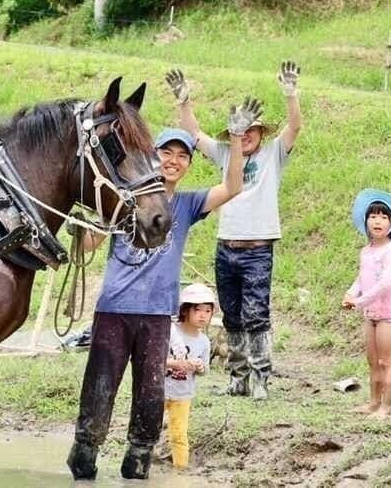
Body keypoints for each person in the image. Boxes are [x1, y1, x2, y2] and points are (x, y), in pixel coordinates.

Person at [67, 97, 262, 481]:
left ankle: (137, 459)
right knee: (100, 385)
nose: (173, 160)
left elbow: (233, 185)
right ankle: (84, 456)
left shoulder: (188, 205)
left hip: (158, 314)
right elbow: (87, 246)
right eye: (166, 153)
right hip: (114, 308)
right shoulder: (126, 198)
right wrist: (83, 230)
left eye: (181, 156)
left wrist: (237, 140)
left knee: (151, 391)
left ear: (188, 165)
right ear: (153, 157)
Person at [166, 62, 303, 400]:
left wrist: (291, 94)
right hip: (226, 245)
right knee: (231, 314)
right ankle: (237, 376)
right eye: (242, 130)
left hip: (258, 246)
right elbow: (194, 136)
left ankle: (260, 378)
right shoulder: (227, 153)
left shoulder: (273, 154)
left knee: (257, 313)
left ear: (260, 133)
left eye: (253, 130)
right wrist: (184, 101)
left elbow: (295, 127)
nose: (247, 135)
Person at [343, 189, 391, 421]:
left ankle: (386, 408)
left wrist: (358, 302)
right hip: (370, 313)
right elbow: (362, 278)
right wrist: (351, 293)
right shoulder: (366, 252)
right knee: (372, 361)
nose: (377, 221)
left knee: (385, 360)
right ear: (366, 221)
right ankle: (373, 402)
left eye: (383, 217)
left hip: (387, 314)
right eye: (373, 216)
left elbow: (385, 283)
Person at [164, 282, 215, 470]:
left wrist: (199, 366)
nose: (203, 315)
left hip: (182, 395)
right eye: (198, 310)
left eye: (207, 311)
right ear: (185, 310)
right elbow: (154, 360)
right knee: (148, 429)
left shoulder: (203, 342)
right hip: (159, 390)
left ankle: (180, 471)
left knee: (179, 435)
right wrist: (177, 363)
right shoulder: (169, 331)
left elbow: (205, 371)